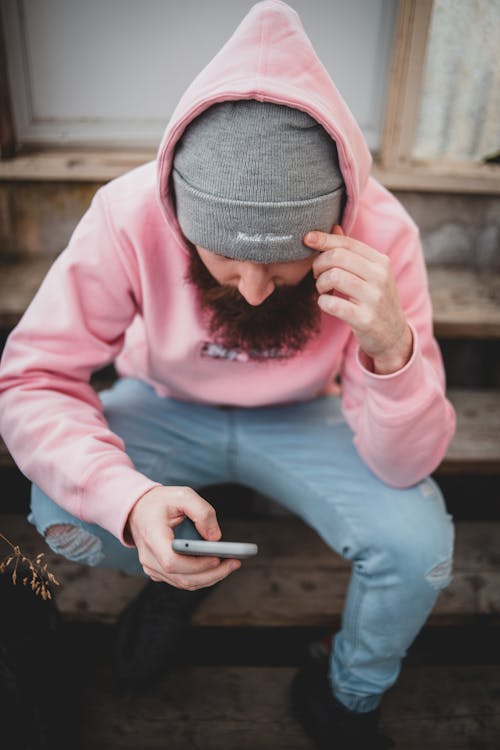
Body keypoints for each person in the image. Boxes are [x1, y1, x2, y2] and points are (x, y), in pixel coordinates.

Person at [0, 1, 456, 747]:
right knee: (61, 512)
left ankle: (347, 694)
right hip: (164, 403)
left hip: (308, 415)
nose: (250, 290)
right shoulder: (127, 214)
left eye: (281, 265)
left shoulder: (386, 233)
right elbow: (32, 379)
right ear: (178, 218)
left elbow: (409, 460)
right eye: (223, 259)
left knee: (419, 547)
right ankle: (170, 571)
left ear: (338, 226)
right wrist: (130, 498)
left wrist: (390, 350)